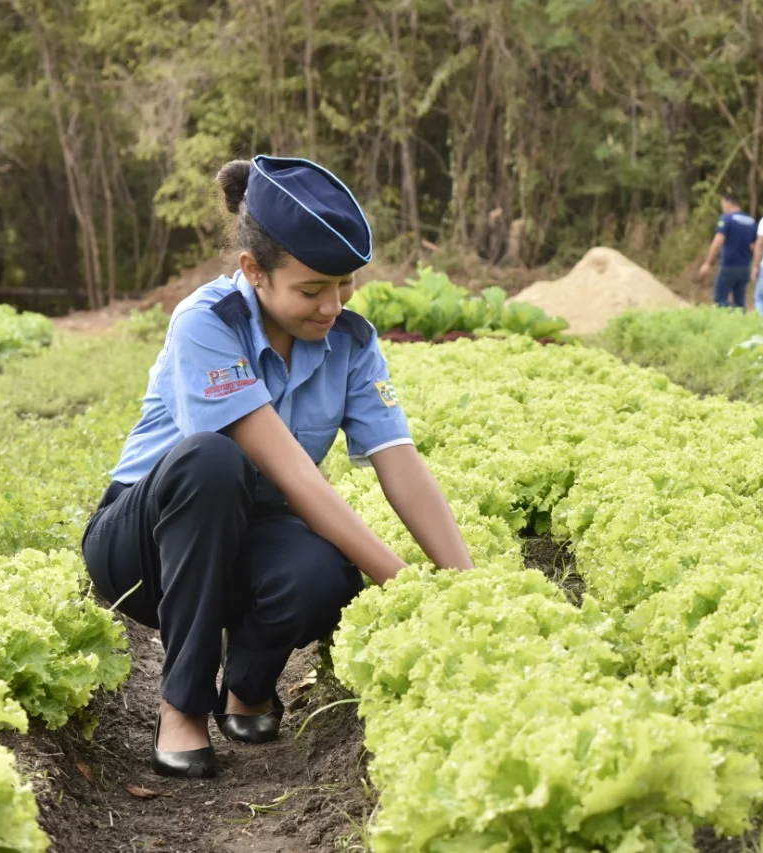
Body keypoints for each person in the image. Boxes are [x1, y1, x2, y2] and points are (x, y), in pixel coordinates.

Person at [81, 155, 474, 780]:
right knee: (212, 458)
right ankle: (180, 705)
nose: (332, 305)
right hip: (145, 548)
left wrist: (466, 586)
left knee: (324, 572)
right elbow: (292, 473)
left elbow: (398, 460)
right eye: (312, 289)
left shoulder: (352, 341)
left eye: (344, 284)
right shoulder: (207, 323)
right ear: (253, 272)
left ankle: (249, 687)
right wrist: (402, 581)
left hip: (248, 535)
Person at [698, 191, 757, 309]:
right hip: (745, 267)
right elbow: (754, 246)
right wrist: (755, 266)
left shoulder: (726, 219)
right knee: (740, 302)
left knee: (719, 300)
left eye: (722, 205)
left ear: (727, 203)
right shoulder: (751, 222)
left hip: (729, 265)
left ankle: (730, 314)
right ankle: (741, 321)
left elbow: (718, 241)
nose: (723, 208)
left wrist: (708, 263)